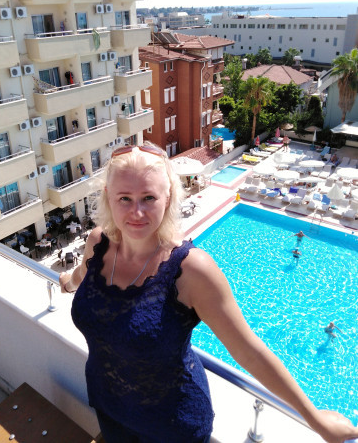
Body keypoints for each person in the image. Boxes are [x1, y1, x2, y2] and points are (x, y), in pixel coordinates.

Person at [60, 143, 358, 443]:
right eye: (124, 198)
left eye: (148, 197)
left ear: (168, 198)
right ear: (108, 198)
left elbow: (249, 352)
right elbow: (82, 276)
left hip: (172, 428)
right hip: (108, 408)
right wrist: (68, 281)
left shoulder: (191, 270)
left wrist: (316, 420)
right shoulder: (97, 244)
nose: (136, 211)